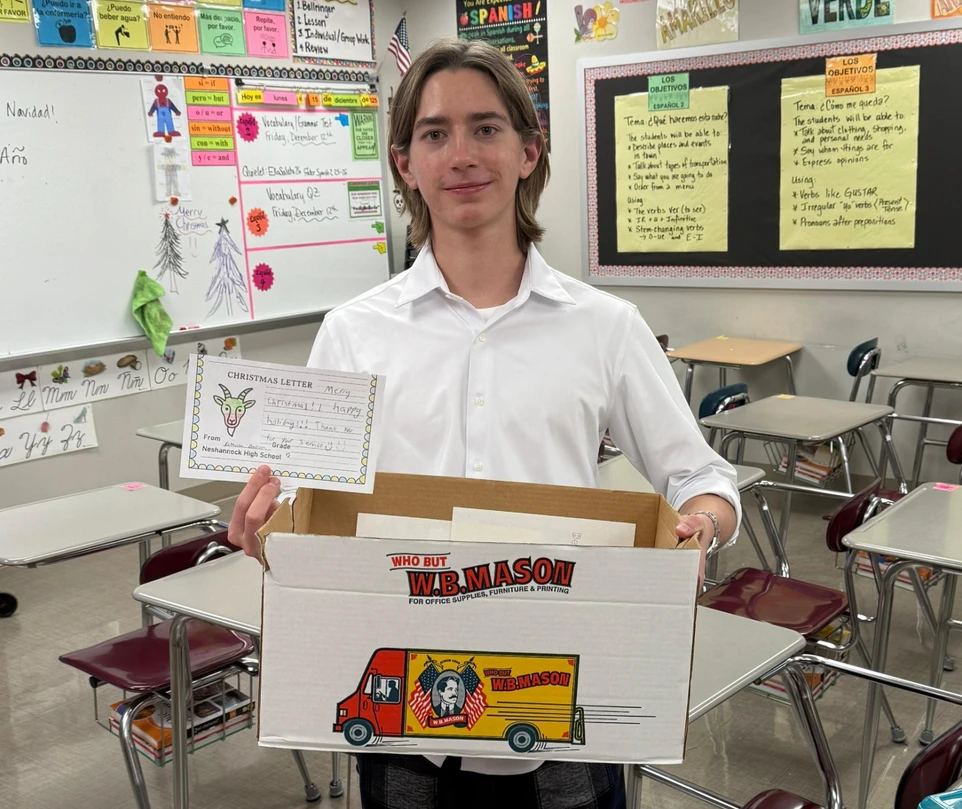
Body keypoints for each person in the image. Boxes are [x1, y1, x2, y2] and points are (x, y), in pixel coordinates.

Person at [228, 37, 739, 809]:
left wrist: (702, 522)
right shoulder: (353, 333)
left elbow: (702, 476)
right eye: (434, 133)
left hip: (566, 702)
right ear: (405, 163)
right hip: (404, 716)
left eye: (486, 128)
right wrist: (271, 535)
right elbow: (311, 520)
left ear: (530, 150)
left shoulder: (604, 326)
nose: (461, 153)